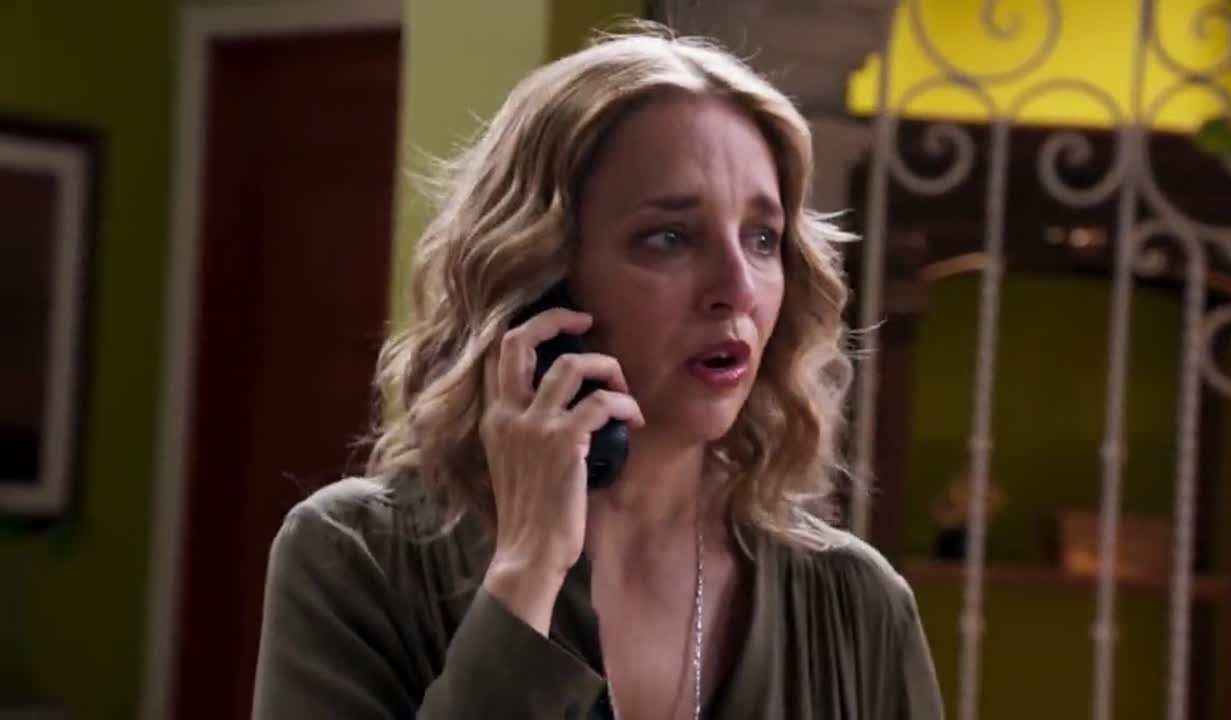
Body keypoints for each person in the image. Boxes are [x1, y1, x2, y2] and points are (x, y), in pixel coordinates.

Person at [251, 23, 944, 720]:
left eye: (762, 238)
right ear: (541, 277)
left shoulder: (858, 608)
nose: (737, 287)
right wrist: (527, 570)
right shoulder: (357, 557)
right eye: (670, 237)